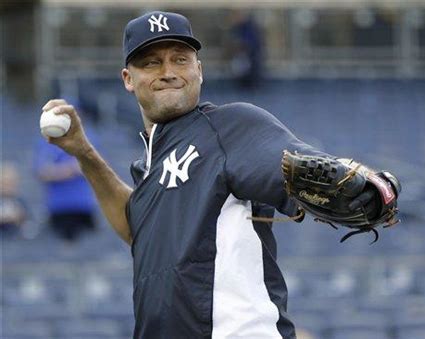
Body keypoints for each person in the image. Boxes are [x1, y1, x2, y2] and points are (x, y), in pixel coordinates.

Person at [41, 11, 396, 338]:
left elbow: (307, 162)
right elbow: (138, 230)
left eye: (180, 59)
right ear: (128, 79)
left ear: (199, 69)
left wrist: (368, 184)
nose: (168, 71)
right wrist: (84, 152)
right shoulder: (149, 165)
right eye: (151, 62)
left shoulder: (230, 127)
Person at [34, 104, 98, 242]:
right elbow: (43, 172)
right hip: (58, 206)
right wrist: (69, 170)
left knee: (91, 247)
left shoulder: (89, 138)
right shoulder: (46, 142)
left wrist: (61, 171)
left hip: (84, 205)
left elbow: (97, 166)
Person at [0, 161, 27, 236]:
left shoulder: (19, 200)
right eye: (4, 183)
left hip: (15, 236)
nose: (7, 187)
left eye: (11, 183)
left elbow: (25, 220)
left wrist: (18, 216)